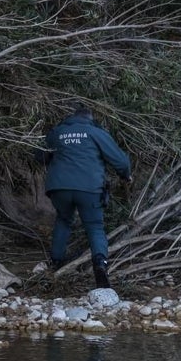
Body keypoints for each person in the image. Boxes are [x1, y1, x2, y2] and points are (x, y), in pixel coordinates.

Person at [37, 103, 132, 288]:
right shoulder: (96, 133)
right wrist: (125, 175)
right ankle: (100, 265)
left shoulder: (57, 132)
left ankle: (55, 262)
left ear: (73, 117)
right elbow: (121, 160)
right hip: (89, 188)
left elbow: (40, 156)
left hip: (59, 188)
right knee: (95, 226)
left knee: (63, 220)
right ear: (90, 118)